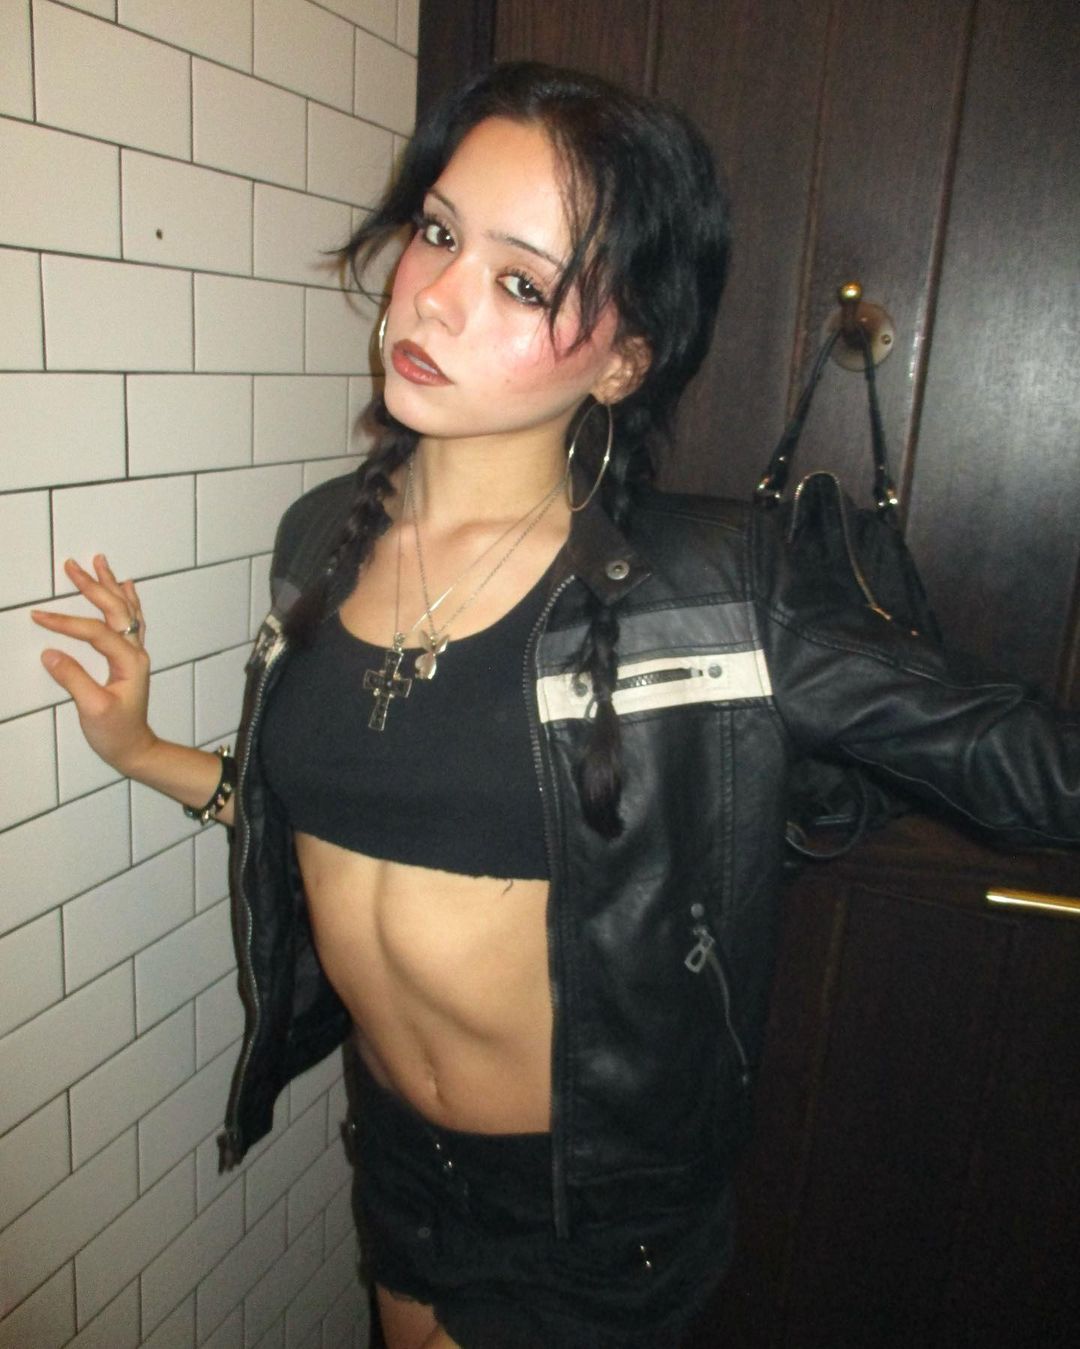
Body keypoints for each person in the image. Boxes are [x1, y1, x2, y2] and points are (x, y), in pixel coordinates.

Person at [31, 62, 1079, 1349]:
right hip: (398, 1166)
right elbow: (336, 820)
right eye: (439, 232)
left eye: (523, 283)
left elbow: (1025, 758)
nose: (434, 295)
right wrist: (141, 749)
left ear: (626, 360)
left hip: (592, 1215)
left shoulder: (714, 590)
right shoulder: (319, 539)